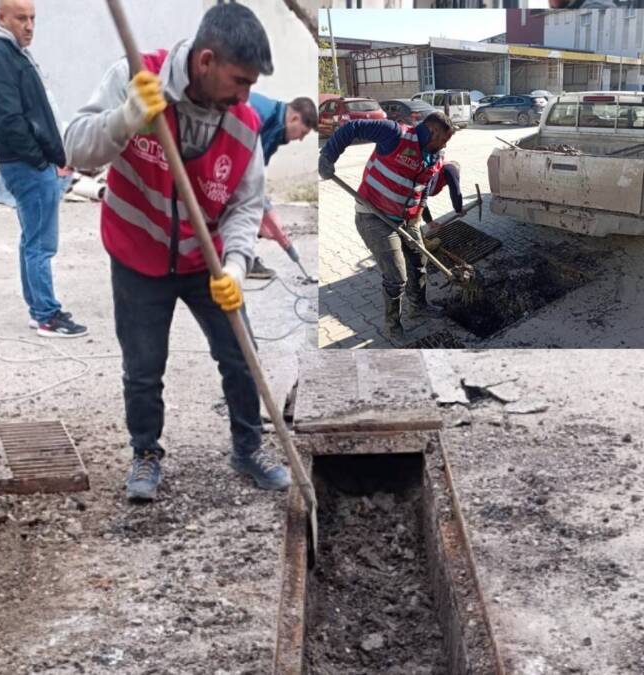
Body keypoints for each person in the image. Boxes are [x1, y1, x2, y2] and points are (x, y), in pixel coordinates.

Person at [64, 3, 290, 502]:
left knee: (241, 357)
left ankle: (248, 449)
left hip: (204, 262)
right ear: (206, 61)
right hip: (137, 258)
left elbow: (246, 207)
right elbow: (75, 148)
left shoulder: (243, 124)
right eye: (239, 80)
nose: (245, 94)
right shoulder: (134, 76)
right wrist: (125, 119)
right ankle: (145, 454)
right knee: (144, 368)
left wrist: (235, 265)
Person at [0, 0, 87, 338]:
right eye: (21, 18)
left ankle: (39, 310)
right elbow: (9, 117)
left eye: (33, 19)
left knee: (32, 241)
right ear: (1, 18)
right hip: (26, 164)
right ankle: (47, 316)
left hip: (26, 162)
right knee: (42, 244)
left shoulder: (10, 51)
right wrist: (42, 160)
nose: (29, 26)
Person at [318, 111, 464, 342]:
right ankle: (393, 327)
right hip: (374, 217)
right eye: (444, 139)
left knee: (419, 263)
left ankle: (418, 307)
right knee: (397, 277)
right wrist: (328, 156)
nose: (444, 145)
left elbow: (424, 186)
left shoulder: (434, 156)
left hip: (407, 219)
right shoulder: (395, 134)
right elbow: (353, 127)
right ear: (433, 131)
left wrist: (420, 213)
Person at [245, 92, 316, 279]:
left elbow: (256, 177)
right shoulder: (259, 114)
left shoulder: (275, 131)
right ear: (294, 118)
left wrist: (263, 210)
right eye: (303, 132)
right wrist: (265, 211)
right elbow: (246, 174)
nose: (300, 139)